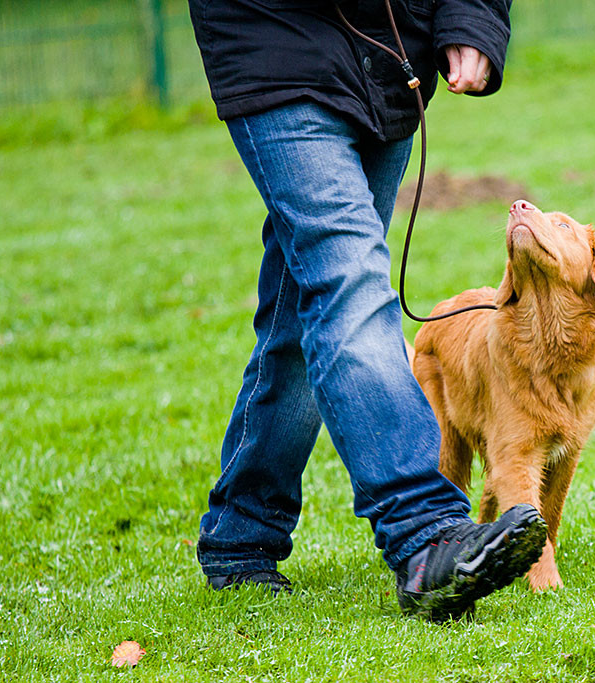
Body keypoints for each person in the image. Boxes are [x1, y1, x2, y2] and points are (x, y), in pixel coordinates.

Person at [187, 0, 546, 621]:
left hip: (387, 60)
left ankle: (240, 534)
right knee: (349, 282)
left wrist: (471, 22)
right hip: (272, 44)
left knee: (303, 311)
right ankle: (426, 534)